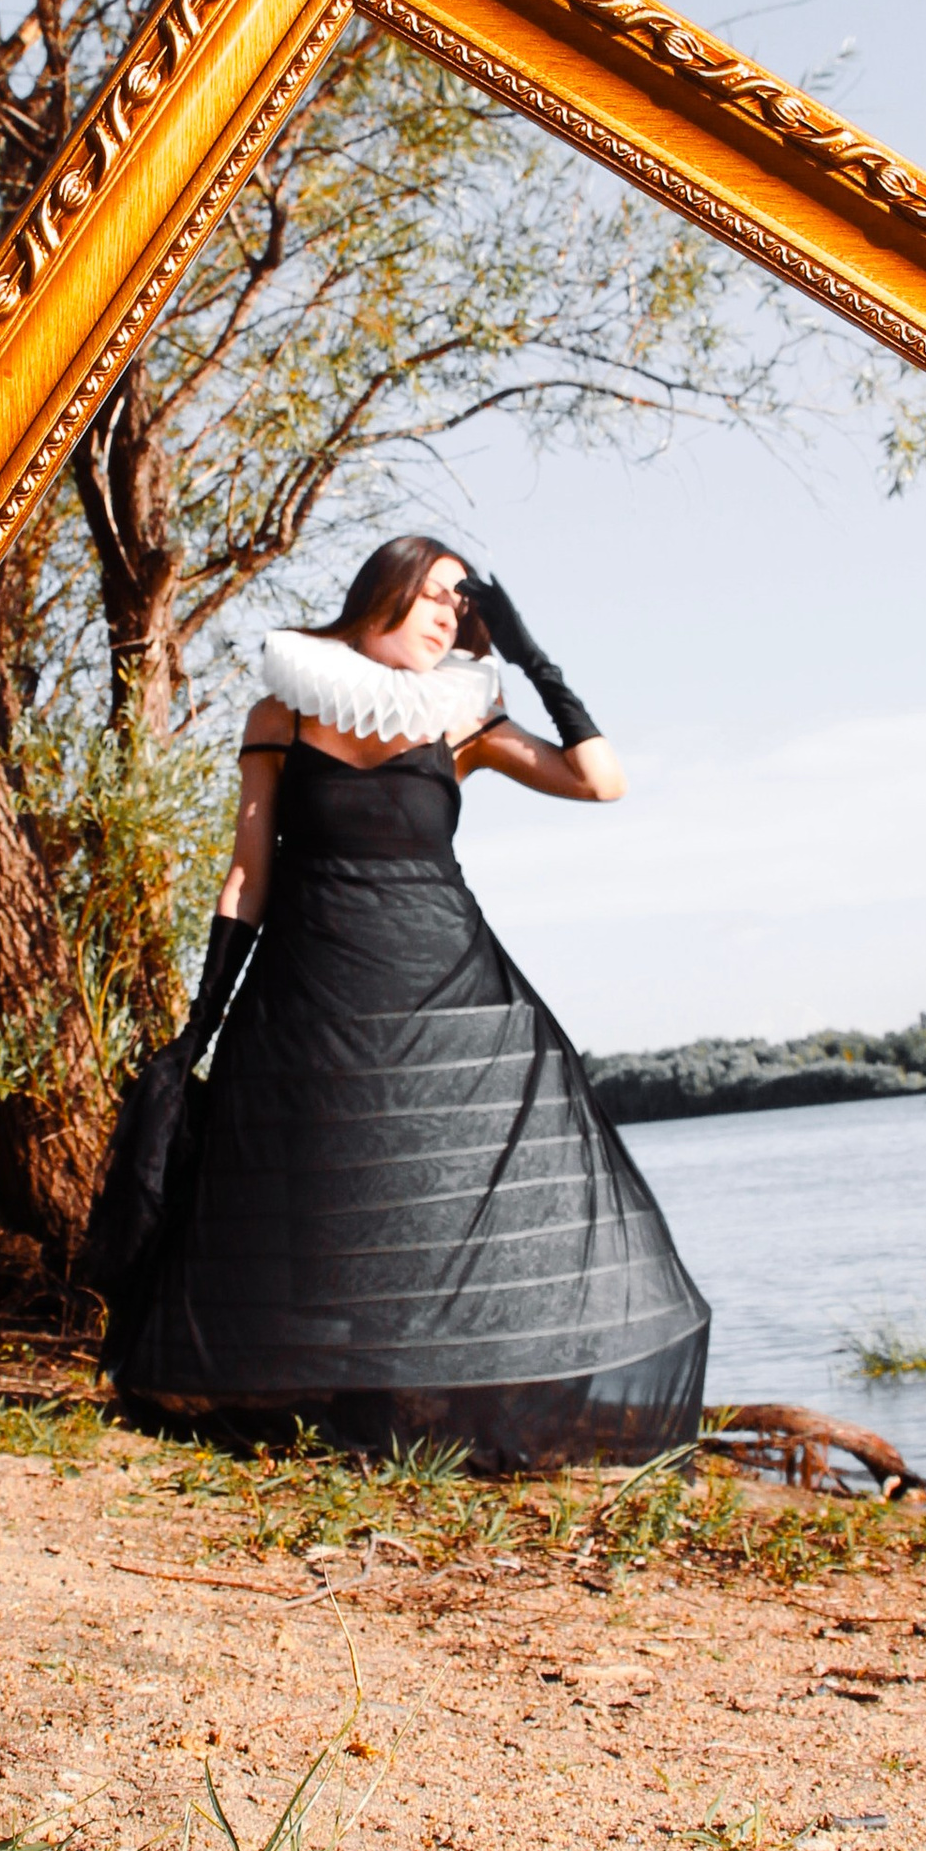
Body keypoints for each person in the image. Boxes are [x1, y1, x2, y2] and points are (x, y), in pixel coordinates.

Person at [102, 536, 710, 1468]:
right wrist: (205, 1019)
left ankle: (438, 1410)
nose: (448, 618)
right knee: (323, 1192)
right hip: (310, 989)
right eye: (435, 598)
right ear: (384, 593)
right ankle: (332, 1408)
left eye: (463, 608)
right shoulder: (281, 714)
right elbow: (245, 876)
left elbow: (602, 781)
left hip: (448, 990)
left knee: (443, 1188)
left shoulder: (460, 722)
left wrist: (533, 655)